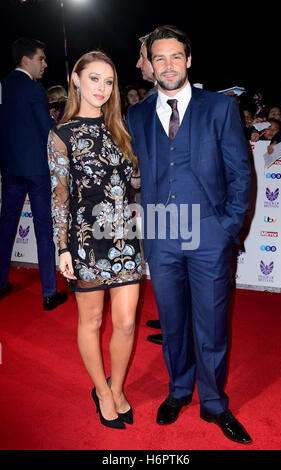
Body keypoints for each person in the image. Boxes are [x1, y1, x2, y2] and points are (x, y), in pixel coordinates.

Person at [126, 25, 252, 444]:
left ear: (189, 60)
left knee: (212, 324)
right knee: (175, 323)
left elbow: (240, 174)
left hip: (209, 237)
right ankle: (179, 390)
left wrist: (226, 228)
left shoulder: (220, 108)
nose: (168, 65)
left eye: (175, 56)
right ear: (150, 64)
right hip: (161, 237)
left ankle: (215, 403)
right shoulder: (138, 113)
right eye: (159, 57)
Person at [47, 50, 142, 429]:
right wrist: (63, 246)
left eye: (108, 81)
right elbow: (60, 196)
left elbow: (133, 183)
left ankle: (117, 387)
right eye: (94, 79)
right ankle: (101, 392)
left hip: (125, 237)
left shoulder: (121, 127)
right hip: (87, 238)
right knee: (92, 320)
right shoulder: (61, 134)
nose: (101, 88)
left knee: (126, 323)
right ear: (76, 79)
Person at [0, 37, 67, 310]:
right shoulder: (34, 88)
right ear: (26, 60)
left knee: (5, 229)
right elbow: (46, 129)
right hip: (37, 171)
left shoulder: (2, 86)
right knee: (43, 229)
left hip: (10, 169)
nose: (45, 64)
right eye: (41, 58)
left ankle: (0, 283)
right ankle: (49, 292)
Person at [136, 32, 162, 344]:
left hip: (178, 210)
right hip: (153, 202)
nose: (139, 63)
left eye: (144, 57)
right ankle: (171, 320)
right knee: (158, 263)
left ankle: (178, 329)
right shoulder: (145, 105)